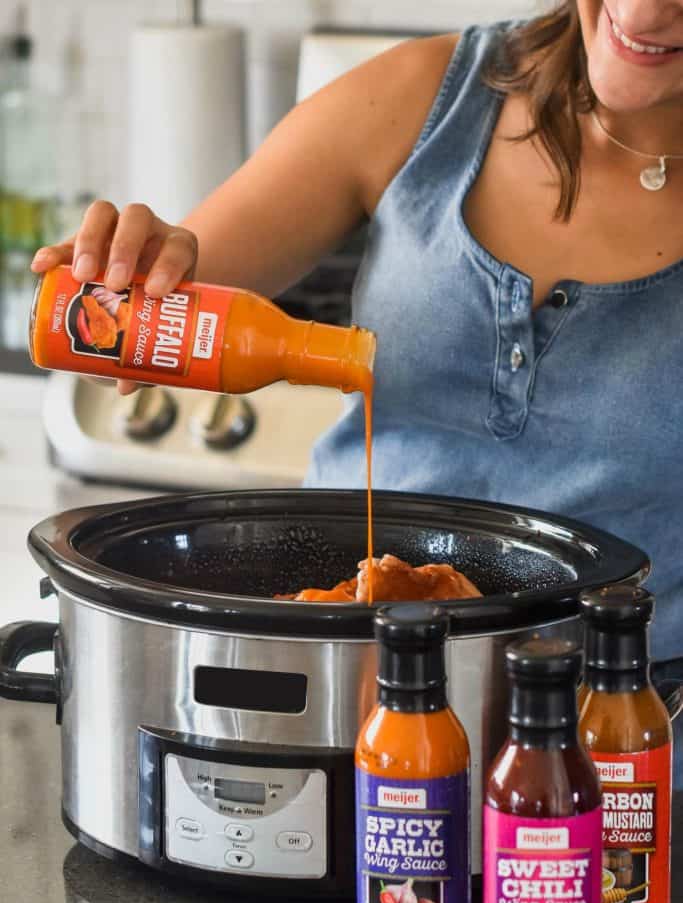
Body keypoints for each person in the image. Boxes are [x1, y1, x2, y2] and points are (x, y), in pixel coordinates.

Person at [31, 2, 683, 661]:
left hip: (629, 728)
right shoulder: (424, 96)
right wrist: (137, 275)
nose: (642, 10)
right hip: (342, 691)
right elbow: (150, 316)